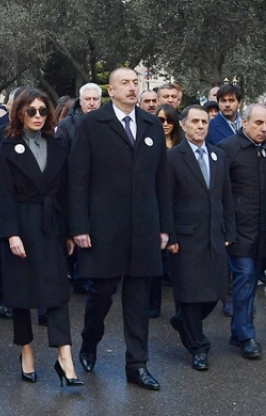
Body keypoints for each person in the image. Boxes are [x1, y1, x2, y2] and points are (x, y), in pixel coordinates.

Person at [68, 67, 167, 391]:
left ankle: (137, 365)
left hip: (144, 228)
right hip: (104, 228)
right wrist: (79, 225)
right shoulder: (92, 124)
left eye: (135, 82)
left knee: (139, 298)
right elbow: (78, 178)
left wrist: (165, 227)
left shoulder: (152, 124)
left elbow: (161, 182)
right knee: (102, 293)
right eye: (124, 82)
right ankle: (89, 342)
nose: (131, 87)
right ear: (110, 89)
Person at [0, 89, 82, 387]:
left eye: (43, 111)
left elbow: (67, 192)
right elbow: (2, 194)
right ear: (19, 113)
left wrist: (69, 230)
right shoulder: (6, 145)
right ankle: (27, 351)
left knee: (57, 292)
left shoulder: (58, 144)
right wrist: (10, 234)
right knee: (22, 294)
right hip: (21, 225)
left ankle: (65, 357)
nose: (37, 116)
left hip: (51, 225)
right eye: (31, 111)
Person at [160, 106, 235, 371]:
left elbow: (225, 196)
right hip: (186, 237)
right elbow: (165, 200)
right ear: (184, 125)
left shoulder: (218, 156)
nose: (201, 126)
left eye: (204, 121)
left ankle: (183, 322)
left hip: (215, 235)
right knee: (191, 294)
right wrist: (170, 236)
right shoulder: (172, 157)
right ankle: (197, 347)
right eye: (195, 121)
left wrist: (229, 230)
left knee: (215, 292)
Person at [218, 104, 266, 358]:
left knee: (251, 281)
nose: (263, 128)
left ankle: (237, 331)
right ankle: (247, 335)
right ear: (245, 122)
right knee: (244, 278)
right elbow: (220, 193)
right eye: (258, 123)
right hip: (239, 229)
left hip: (263, 229)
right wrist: (226, 230)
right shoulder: (228, 149)